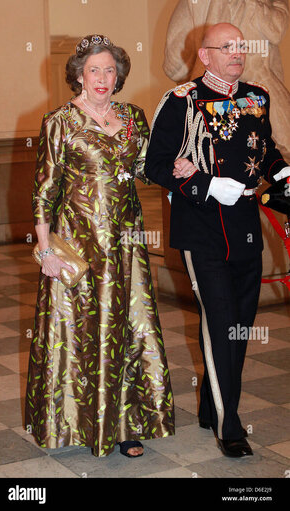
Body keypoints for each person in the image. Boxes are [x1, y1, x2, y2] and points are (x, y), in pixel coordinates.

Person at [25, 34, 174, 459]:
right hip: (78, 243)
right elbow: (44, 191)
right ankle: (76, 421)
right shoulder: (60, 121)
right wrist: (46, 251)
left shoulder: (132, 117)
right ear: (78, 75)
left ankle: (127, 425)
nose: (103, 78)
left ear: (119, 74)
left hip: (126, 244)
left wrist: (177, 165)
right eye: (94, 70)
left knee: (129, 327)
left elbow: (147, 167)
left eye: (110, 70)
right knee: (80, 332)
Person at [145, 23, 290, 458]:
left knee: (240, 324)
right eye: (226, 47)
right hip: (202, 227)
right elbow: (155, 165)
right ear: (205, 56)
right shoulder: (180, 102)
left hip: (245, 222)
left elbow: (262, 148)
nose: (237, 53)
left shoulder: (257, 97)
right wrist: (205, 186)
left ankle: (210, 402)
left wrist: (281, 169)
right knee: (222, 320)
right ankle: (230, 423)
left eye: (240, 46)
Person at [163, 0, 290, 162]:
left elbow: (277, 30)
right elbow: (173, 67)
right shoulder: (194, 3)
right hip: (211, 102)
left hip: (264, 102)